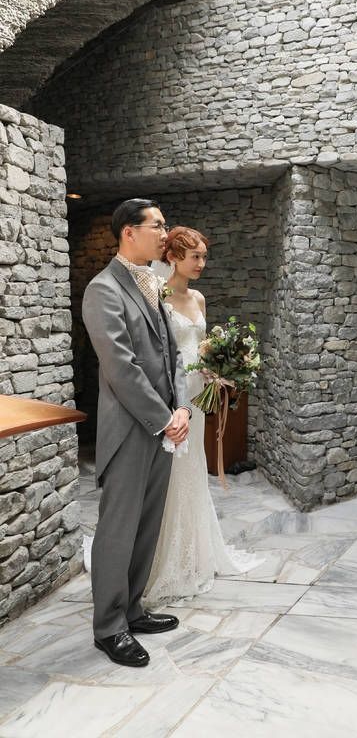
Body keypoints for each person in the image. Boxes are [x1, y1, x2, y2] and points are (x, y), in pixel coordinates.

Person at [82, 198, 191, 668]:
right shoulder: (103, 290)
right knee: (118, 529)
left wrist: (181, 407)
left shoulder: (152, 283)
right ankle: (109, 628)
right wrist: (164, 417)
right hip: (130, 429)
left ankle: (132, 609)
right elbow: (121, 367)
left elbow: (173, 356)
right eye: (157, 226)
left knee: (147, 524)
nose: (165, 234)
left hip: (164, 426)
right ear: (129, 232)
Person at [144, 226, 263, 606]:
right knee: (172, 470)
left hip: (197, 395)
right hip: (171, 395)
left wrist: (219, 369)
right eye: (195, 256)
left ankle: (196, 551)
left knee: (193, 466)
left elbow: (202, 346)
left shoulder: (199, 297)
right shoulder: (157, 296)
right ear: (173, 257)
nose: (201, 263)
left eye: (204, 257)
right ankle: (163, 556)